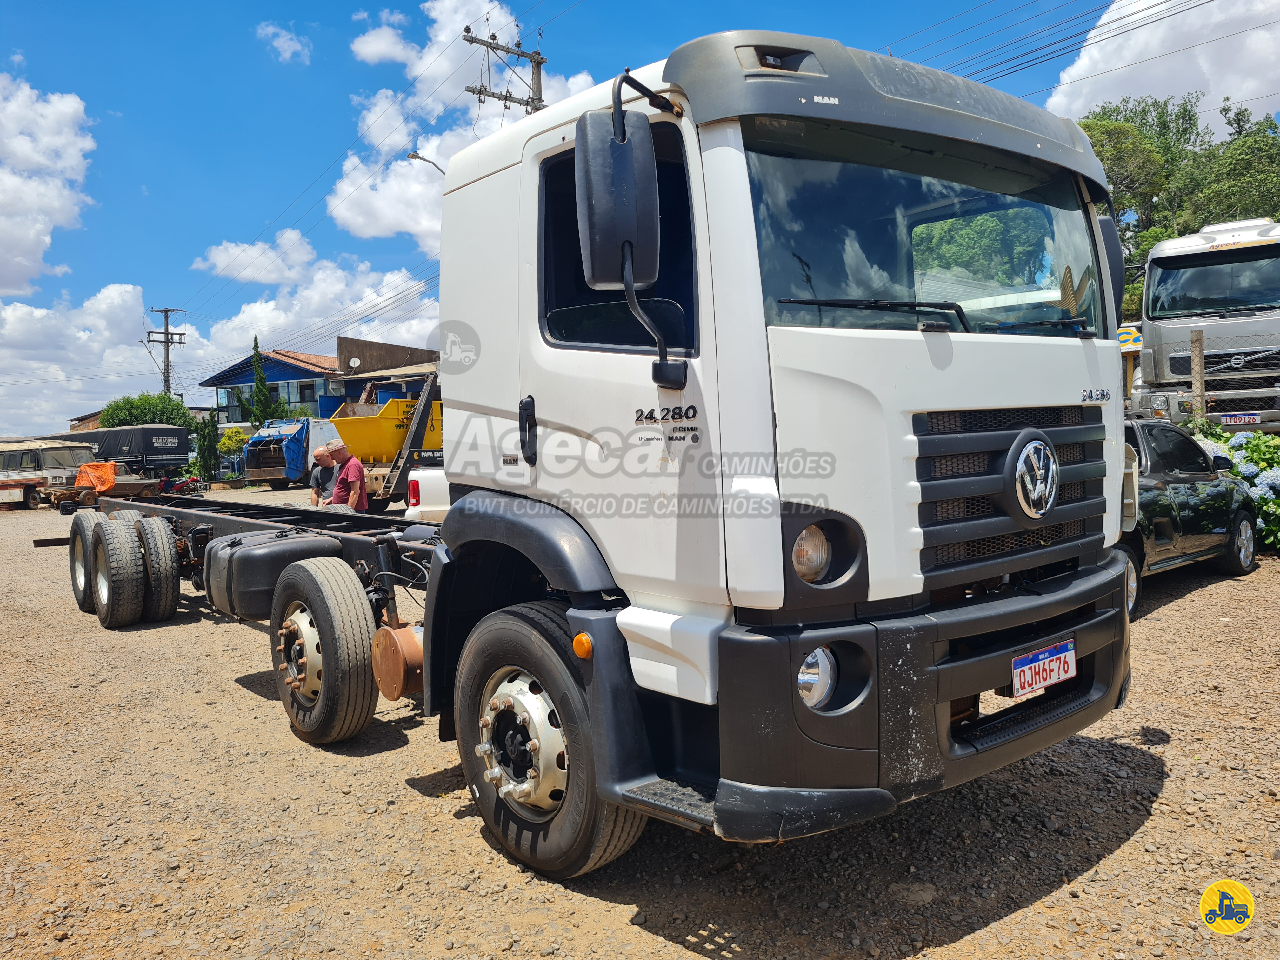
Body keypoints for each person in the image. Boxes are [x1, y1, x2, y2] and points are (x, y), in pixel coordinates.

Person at [324, 438, 368, 512]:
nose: (331, 458)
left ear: (339, 452)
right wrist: (333, 499)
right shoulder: (345, 464)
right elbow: (344, 488)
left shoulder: (352, 465)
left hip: (352, 511)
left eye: (332, 455)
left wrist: (348, 513)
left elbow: (355, 492)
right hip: (342, 509)